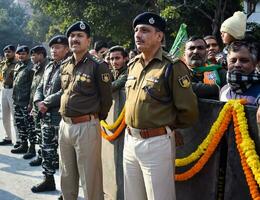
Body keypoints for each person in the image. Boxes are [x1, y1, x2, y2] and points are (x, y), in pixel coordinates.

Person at [124, 12, 198, 200]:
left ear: (159, 36)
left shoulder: (172, 66)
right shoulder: (133, 64)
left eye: (145, 31)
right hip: (130, 139)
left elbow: (188, 110)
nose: (138, 35)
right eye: (136, 30)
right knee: (133, 196)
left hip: (156, 143)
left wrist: (169, 128)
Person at [59, 21, 112, 200]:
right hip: (64, 126)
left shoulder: (98, 65)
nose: (75, 39)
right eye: (72, 36)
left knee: (90, 179)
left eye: (80, 36)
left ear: (88, 41)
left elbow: (106, 100)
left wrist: (93, 119)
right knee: (66, 176)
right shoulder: (65, 64)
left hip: (86, 126)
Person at [31, 35, 69, 193]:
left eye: (58, 47)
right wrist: (38, 101)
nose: (54, 50)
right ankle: (48, 180)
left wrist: (46, 103)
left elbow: (66, 90)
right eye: (52, 47)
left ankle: (68, 189)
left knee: (64, 155)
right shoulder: (48, 66)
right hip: (45, 116)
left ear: (66, 49)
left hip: (59, 115)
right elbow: (40, 86)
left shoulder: (69, 66)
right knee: (46, 150)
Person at [23, 45, 48, 160]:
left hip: (44, 106)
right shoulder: (37, 67)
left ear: (41, 55)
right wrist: (31, 104)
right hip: (35, 104)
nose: (32, 57)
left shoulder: (47, 67)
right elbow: (33, 88)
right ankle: (39, 154)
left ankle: (42, 156)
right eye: (32, 54)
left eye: (34, 55)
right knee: (37, 131)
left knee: (44, 134)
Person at [11, 46, 36, 154]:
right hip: (17, 101)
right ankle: (23, 144)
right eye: (19, 54)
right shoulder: (18, 65)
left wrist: (31, 103)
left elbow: (33, 87)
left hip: (26, 102)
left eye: (23, 54)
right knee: (20, 124)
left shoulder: (31, 67)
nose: (21, 56)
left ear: (28, 54)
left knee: (30, 126)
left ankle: (32, 148)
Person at [220, 41, 260, 105]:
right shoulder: (224, 90)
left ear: (255, 64)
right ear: (227, 63)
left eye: (244, 60)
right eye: (233, 61)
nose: (237, 65)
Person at [0, 45, 19, 146]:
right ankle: (8, 138)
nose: (7, 54)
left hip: (13, 90)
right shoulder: (4, 64)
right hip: (4, 89)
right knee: (5, 116)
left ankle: (19, 139)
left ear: (14, 52)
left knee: (15, 116)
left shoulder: (17, 64)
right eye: (6, 52)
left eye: (10, 52)